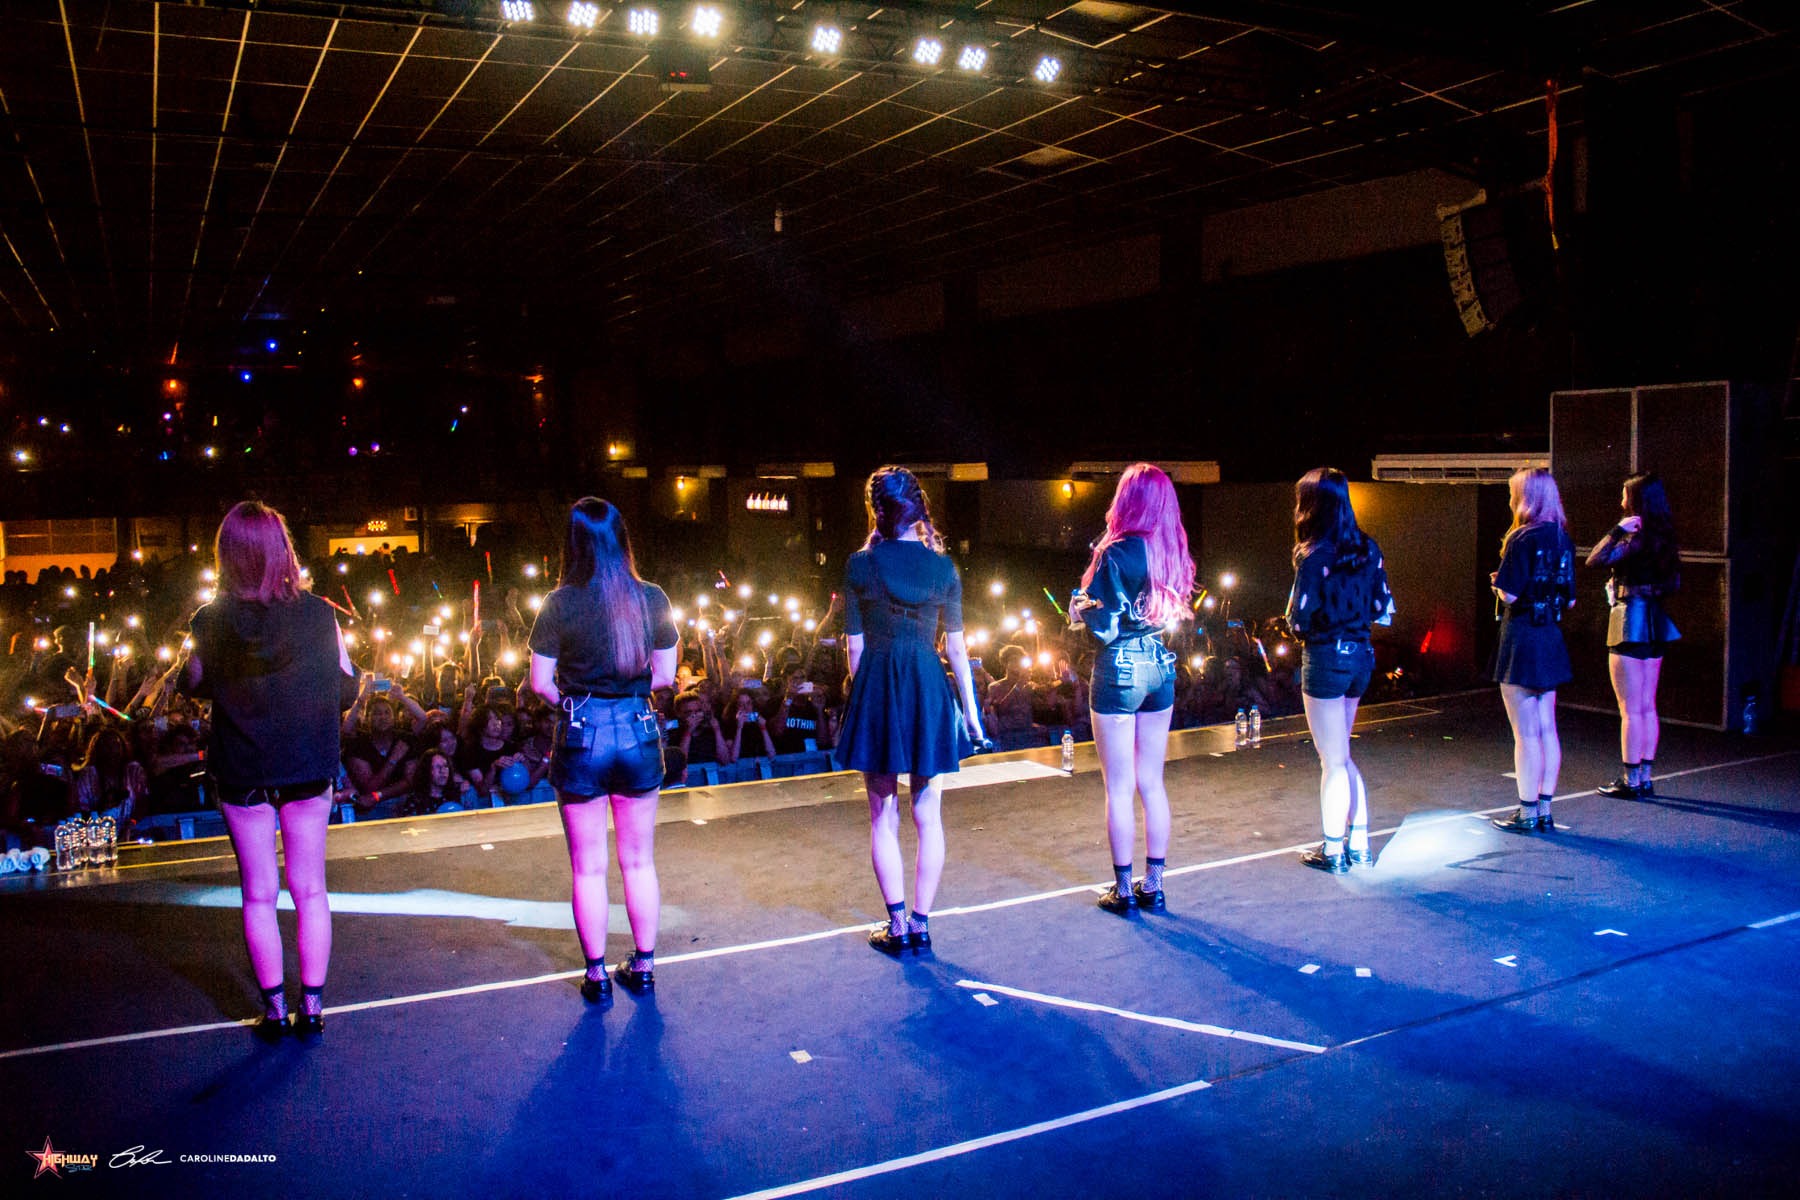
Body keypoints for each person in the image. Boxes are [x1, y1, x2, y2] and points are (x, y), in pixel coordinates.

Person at [182, 501, 357, 1041]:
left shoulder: (210, 620)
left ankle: (275, 1010)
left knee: (259, 892)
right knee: (310, 889)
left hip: (243, 765)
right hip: (306, 761)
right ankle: (313, 1006)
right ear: (283, 550)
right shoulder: (319, 613)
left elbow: (192, 681)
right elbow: (346, 686)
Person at [528, 498, 678, 1006]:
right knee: (638, 862)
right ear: (622, 540)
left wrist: (577, 703)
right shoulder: (651, 597)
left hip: (582, 736)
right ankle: (644, 966)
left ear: (572, 545)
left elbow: (540, 683)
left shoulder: (559, 603)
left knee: (588, 867)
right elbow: (666, 675)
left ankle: (596, 975)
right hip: (637, 730)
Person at [832, 466, 983, 956]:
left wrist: (867, 698)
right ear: (919, 507)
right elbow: (956, 649)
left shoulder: (860, 565)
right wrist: (972, 713)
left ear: (876, 509)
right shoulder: (943, 568)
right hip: (927, 685)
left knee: (883, 814)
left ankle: (896, 924)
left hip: (879, 683)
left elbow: (854, 650)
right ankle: (921, 922)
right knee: (928, 814)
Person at [1070, 463, 1195, 913]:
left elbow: (1102, 623)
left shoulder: (1117, 552)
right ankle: (1153, 885)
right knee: (1152, 782)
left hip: (1120, 666)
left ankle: (1123, 889)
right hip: (1159, 664)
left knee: (1119, 787)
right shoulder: (1172, 549)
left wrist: (1078, 610)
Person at [1285, 468, 1393, 872]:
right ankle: (1359, 844)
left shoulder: (1313, 555)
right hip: (1361, 657)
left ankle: (1333, 850)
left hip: (1326, 659)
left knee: (1332, 760)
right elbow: (1381, 606)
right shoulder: (1368, 548)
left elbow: (1299, 620)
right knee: (1341, 755)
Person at [1486, 468, 1578, 833]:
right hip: (1550, 636)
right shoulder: (1562, 537)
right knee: (1547, 729)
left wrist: (1498, 584)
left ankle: (1526, 813)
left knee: (1525, 734)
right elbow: (1570, 599)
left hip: (1522, 638)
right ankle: (1544, 809)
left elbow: (1510, 594)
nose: (1511, 500)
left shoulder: (1521, 538)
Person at [1587, 472, 1680, 799]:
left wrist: (1617, 530)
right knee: (1647, 705)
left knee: (1630, 708)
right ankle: (1645, 776)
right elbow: (1674, 582)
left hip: (1630, 619)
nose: (1621, 501)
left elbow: (1594, 559)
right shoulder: (1665, 534)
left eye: (1625, 495)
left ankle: (1631, 780)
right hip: (1655, 619)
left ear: (1637, 500)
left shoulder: (1635, 536)